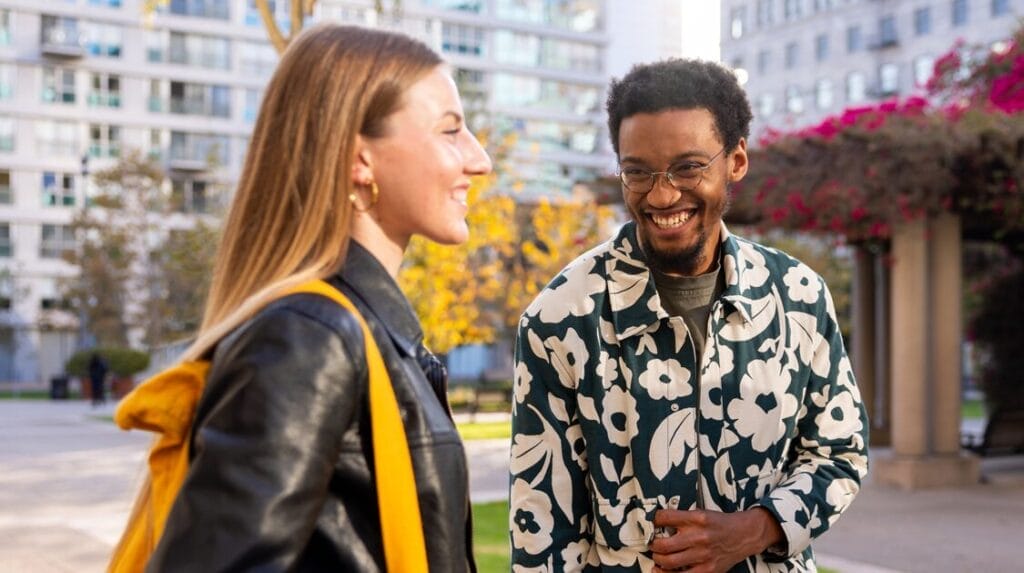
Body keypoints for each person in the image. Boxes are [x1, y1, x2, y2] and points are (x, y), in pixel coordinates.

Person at [146, 24, 491, 571]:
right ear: (360, 160)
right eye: (450, 131)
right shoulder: (310, 336)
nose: (479, 160)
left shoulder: (365, 333)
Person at [509, 59, 868, 572]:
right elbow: (542, 532)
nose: (661, 195)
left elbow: (840, 454)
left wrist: (756, 528)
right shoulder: (560, 318)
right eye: (637, 172)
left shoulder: (799, 295)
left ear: (736, 160)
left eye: (688, 167)